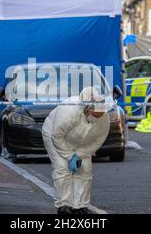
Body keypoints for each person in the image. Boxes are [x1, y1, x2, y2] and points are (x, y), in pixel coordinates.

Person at [42, 86, 110, 214]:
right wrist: (69, 156)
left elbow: (97, 142)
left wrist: (78, 155)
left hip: (82, 144)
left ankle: (80, 205)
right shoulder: (68, 112)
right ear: (86, 109)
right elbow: (57, 136)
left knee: (85, 168)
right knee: (62, 168)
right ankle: (64, 205)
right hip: (55, 135)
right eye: (94, 115)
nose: (97, 118)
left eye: (99, 115)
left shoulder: (104, 118)